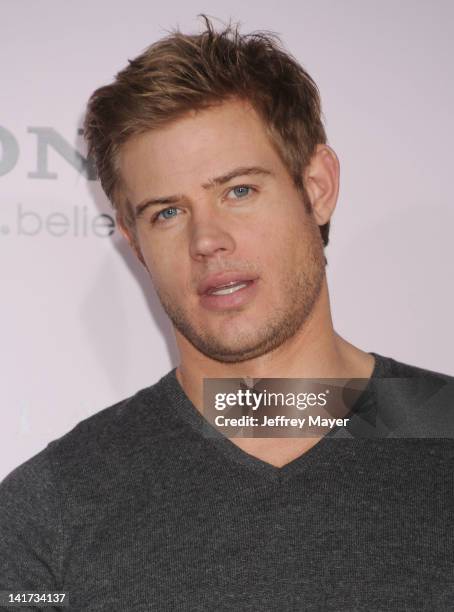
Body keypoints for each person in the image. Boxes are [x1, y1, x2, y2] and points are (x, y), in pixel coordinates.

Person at [1, 16, 453, 611]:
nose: (207, 240)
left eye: (238, 191)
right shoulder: (50, 508)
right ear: (135, 243)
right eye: (167, 212)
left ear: (316, 187)